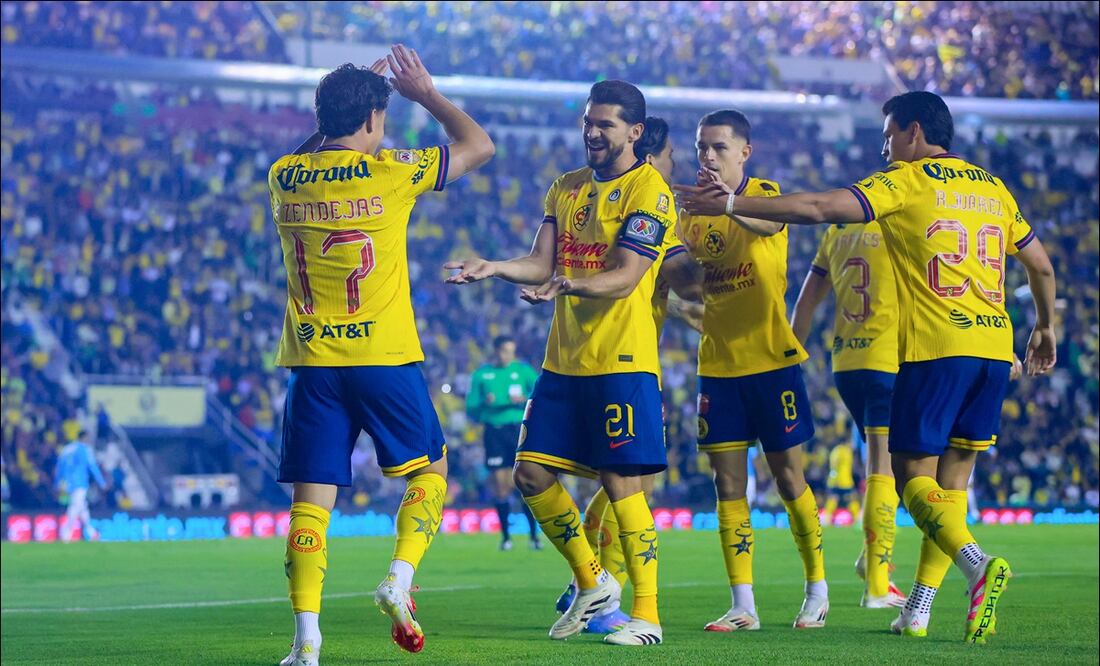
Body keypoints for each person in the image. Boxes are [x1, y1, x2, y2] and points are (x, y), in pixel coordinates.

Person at [675, 90, 1057, 645]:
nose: (884, 147)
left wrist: (732, 205)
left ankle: (977, 565)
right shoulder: (994, 188)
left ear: (914, 133)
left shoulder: (906, 180)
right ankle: (919, 609)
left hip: (934, 348)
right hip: (996, 350)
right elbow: (1040, 267)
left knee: (908, 479)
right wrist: (1044, 327)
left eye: (888, 135)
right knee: (951, 489)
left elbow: (818, 209)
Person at [268, 45, 494, 663]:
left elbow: (309, 149)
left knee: (310, 506)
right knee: (431, 472)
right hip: (384, 358)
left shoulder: (283, 176)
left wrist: (342, 103)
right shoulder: (391, 170)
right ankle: (399, 576)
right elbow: (479, 146)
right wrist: (426, 95)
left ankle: (306, 642)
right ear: (373, 120)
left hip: (312, 364)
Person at [446, 81, 677, 646]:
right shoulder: (566, 188)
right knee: (529, 472)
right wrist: (494, 267)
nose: (592, 133)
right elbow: (539, 261)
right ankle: (592, 582)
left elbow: (626, 276)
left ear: (635, 132)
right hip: (564, 362)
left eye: (606, 125)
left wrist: (567, 282)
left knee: (623, 483)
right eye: (588, 122)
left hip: (621, 360)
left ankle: (646, 617)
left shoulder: (651, 192)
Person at [674, 109, 829, 632]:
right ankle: (744, 605)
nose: (708, 157)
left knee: (788, 478)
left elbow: (767, 223)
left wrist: (730, 204)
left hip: (771, 362)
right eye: (701, 147)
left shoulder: (765, 193)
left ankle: (818, 589)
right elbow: (695, 283)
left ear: (745, 151)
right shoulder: (692, 215)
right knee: (727, 484)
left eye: (719, 147)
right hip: (718, 366)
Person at [555, 116, 700, 636]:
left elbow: (680, 286)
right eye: (670, 162)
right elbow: (686, 281)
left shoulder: (646, 203)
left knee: (622, 484)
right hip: (614, 356)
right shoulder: (646, 196)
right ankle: (605, 587)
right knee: (625, 485)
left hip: (625, 355)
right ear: (649, 152)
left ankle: (595, 585)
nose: (674, 173)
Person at [790, 212, 908, 608]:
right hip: (889, 360)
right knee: (887, 469)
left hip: (847, 365)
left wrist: (791, 358)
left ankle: (871, 559)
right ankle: (877, 581)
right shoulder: (901, 223)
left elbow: (806, 302)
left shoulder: (836, 231)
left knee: (896, 467)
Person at [466, 334, 541, 551]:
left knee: (525, 483)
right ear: (496, 351)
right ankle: (506, 538)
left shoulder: (524, 371)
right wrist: (484, 403)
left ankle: (534, 537)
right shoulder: (482, 375)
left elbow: (539, 395)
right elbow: (471, 407)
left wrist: (525, 399)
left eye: (511, 351)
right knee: (501, 485)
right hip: (494, 432)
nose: (508, 355)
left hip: (519, 430)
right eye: (504, 351)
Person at [55, 429, 107, 542]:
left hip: (67, 483)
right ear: (84, 438)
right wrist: (102, 482)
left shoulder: (67, 449)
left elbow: (59, 466)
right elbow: (92, 466)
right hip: (80, 482)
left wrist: (58, 482)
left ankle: (92, 532)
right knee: (75, 507)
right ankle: (65, 533)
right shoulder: (84, 449)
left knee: (82, 508)